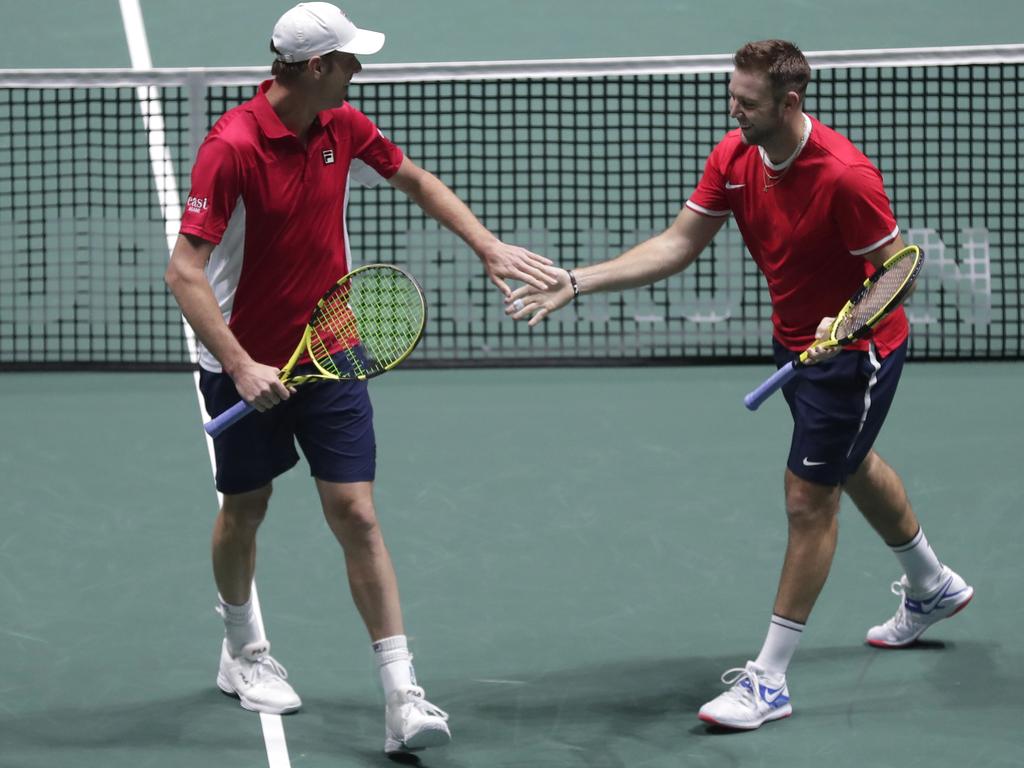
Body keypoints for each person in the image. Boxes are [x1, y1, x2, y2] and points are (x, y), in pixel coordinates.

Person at [506, 39, 973, 730]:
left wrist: (846, 327)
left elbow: (897, 269)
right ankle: (933, 585)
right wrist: (580, 281)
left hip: (854, 354)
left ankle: (770, 680)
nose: (735, 112)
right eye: (733, 97)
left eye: (747, 103)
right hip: (796, 344)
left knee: (808, 498)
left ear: (789, 102)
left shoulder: (846, 177)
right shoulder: (735, 156)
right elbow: (679, 242)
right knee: (850, 462)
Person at [165, 2, 558, 755]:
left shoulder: (342, 127)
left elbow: (410, 177)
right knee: (246, 508)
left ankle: (401, 694)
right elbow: (184, 272)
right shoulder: (233, 147)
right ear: (315, 68)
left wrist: (485, 245)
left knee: (358, 514)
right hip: (244, 361)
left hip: (333, 347)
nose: (358, 71)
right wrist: (242, 365)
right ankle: (241, 648)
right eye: (349, 60)